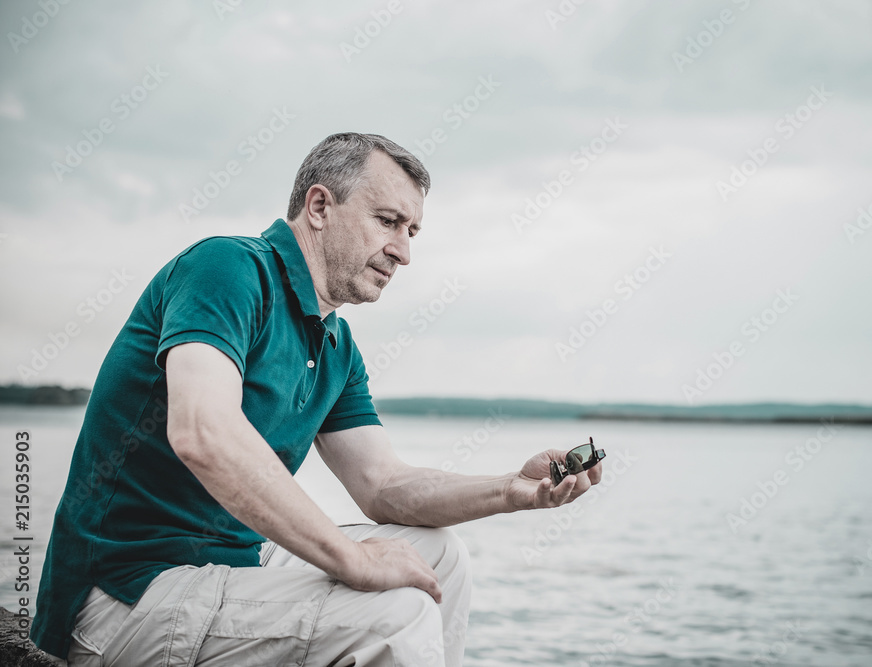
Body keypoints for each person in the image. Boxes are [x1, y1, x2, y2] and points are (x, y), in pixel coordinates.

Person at [31, 132, 603, 666]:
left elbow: (382, 486)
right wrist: (351, 558)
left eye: (412, 232)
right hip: (122, 590)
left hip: (229, 564)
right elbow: (201, 431)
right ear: (320, 207)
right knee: (393, 614)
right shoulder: (228, 268)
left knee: (441, 558)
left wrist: (510, 489)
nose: (403, 252)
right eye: (388, 222)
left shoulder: (335, 341)